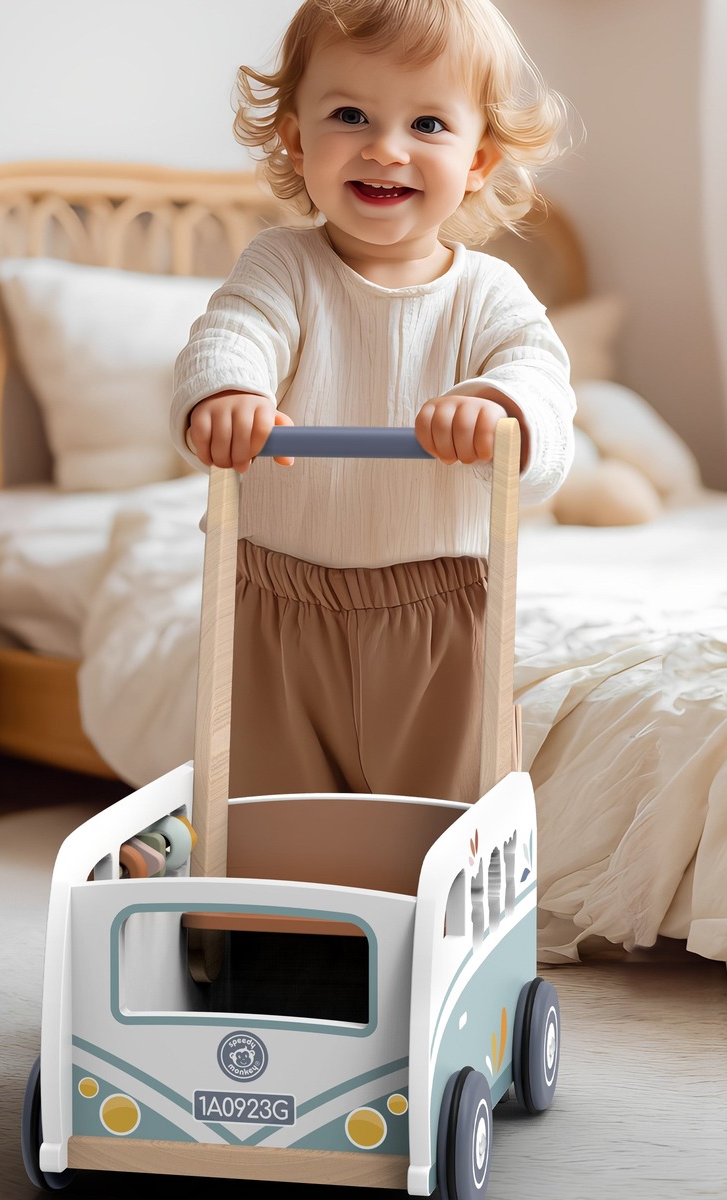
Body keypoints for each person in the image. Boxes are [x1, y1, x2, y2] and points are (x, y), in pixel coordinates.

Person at [171, 0, 576, 803]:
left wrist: (499, 406)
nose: (386, 148)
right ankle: (276, 889)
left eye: (427, 124)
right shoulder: (280, 266)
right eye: (351, 115)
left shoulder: (490, 293)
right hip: (276, 601)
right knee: (268, 811)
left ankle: (430, 890)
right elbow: (232, 332)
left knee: (446, 816)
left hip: (443, 614)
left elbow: (543, 388)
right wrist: (228, 393)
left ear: (478, 161)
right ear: (295, 139)